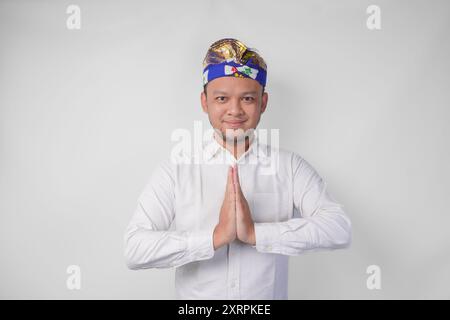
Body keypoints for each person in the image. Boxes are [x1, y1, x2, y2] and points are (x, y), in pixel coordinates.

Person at [124, 38, 352, 299]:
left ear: (263, 103)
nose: (234, 110)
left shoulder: (289, 167)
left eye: (247, 98)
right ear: (205, 102)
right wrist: (215, 237)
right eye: (222, 98)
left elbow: (339, 228)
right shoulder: (177, 169)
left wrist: (257, 233)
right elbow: (134, 249)